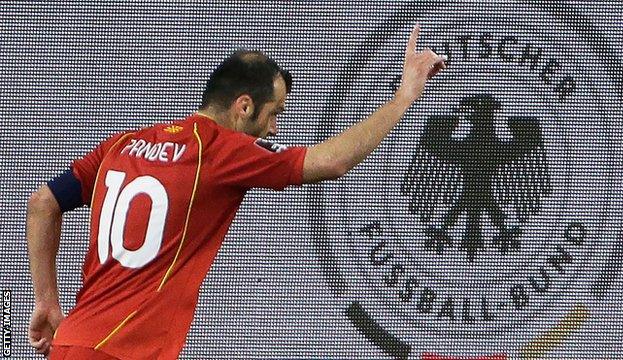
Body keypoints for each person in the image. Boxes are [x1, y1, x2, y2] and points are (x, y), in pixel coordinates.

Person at [27, 24, 446, 359]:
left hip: (72, 341)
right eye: (274, 113)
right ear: (243, 106)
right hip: (124, 351)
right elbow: (330, 161)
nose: (275, 129)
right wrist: (405, 95)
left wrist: (46, 300)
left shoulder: (119, 145)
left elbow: (43, 202)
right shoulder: (220, 150)